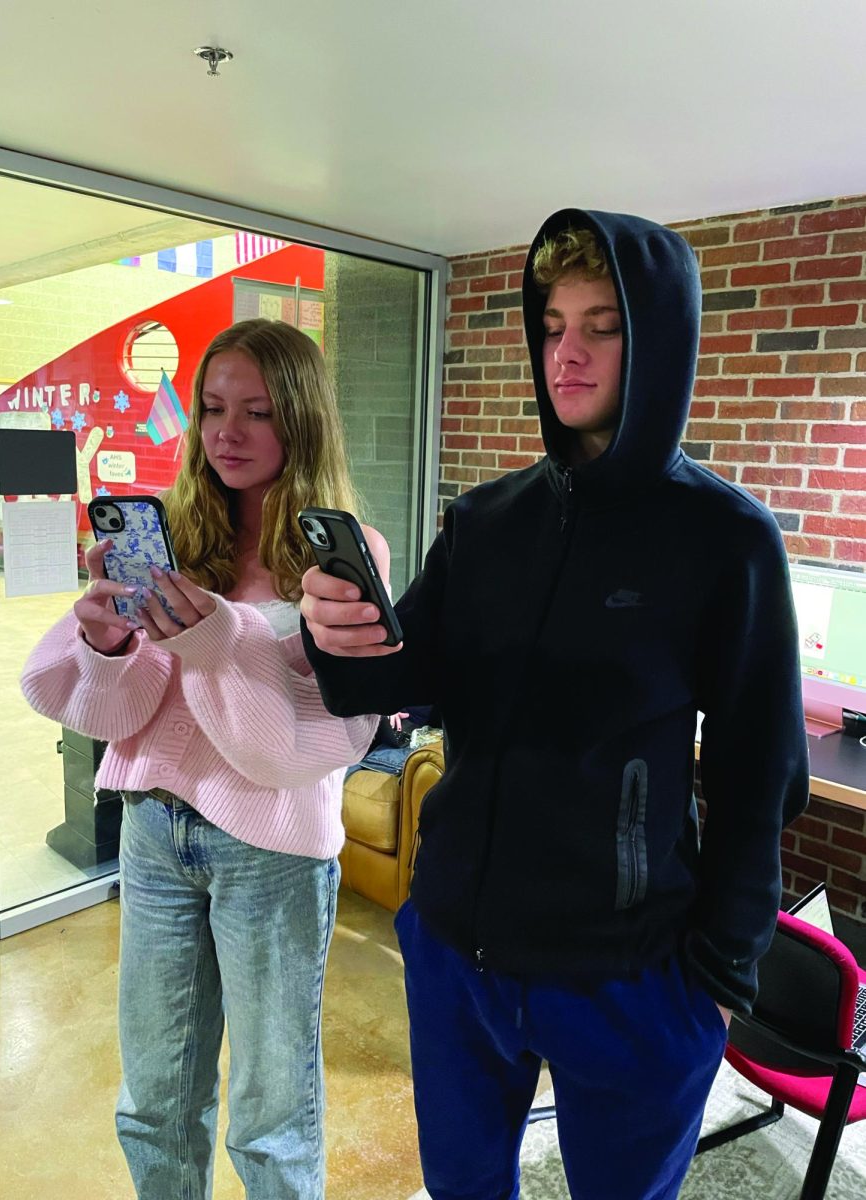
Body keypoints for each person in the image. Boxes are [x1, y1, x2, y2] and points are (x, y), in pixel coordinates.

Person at [298, 209, 811, 1200]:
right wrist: (337, 630)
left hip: (628, 976)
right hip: (457, 957)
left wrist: (719, 980)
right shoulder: (486, 522)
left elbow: (761, 779)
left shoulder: (726, 539)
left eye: (602, 325)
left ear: (658, 338)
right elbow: (394, 689)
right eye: (551, 324)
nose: (566, 352)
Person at [21, 318, 386, 1200]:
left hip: (273, 852)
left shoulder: (346, 559)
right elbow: (118, 711)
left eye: (257, 412)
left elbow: (313, 743)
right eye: (212, 408)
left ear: (300, 420)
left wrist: (225, 641)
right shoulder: (174, 534)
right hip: (153, 834)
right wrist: (107, 641)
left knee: (268, 1110)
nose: (227, 432)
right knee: (153, 1094)